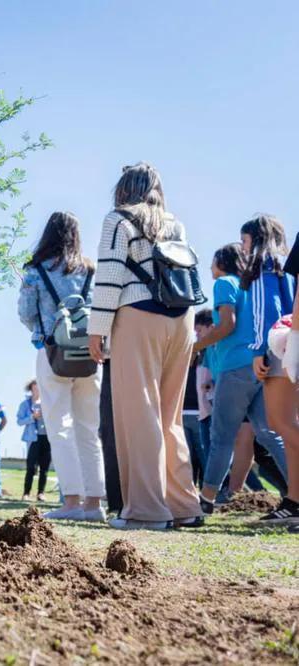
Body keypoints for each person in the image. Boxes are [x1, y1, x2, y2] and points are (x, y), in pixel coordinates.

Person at [88, 162, 203, 530]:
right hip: (182, 319)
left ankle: (146, 511)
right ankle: (185, 505)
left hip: (137, 316)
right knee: (169, 418)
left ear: (123, 188)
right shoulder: (174, 223)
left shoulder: (117, 220)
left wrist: (97, 329)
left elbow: (109, 275)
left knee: (139, 415)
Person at [18, 211, 105, 520]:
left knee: (60, 428)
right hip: (92, 355)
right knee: (89, 429)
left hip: (52, 352)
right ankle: (94, 504)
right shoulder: (92, 269)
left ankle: (71, 501)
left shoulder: (35, 271)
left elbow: (26, 314)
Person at [194, 243, 288, 514]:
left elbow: (227, 324)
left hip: (235, 367)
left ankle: (207, 499)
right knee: (269, 434)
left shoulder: (224, 283)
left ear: (220, 261)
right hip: (262, 366)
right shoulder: (252, 285)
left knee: (221, 437)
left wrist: (194, 348)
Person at [244, 216, 299, 524]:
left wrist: (259, 349)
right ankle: (294, 501)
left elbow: (269, 309)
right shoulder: (283, 261)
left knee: (281, 421)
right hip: (291, 339)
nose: (243, 246)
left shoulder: (265, 262)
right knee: (286, 424)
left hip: (280, 343)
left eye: (245, 240)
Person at [16, 381, 50, 502]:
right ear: (31, 389)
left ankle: (41, 493)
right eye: (35, 388)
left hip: (47, 438)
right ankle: (26, 493)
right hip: (33, 439)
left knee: (45, 467)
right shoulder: (25, 404)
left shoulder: (48, 403)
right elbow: (19, 421)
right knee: (31, 467)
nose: (38, 390)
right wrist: (32, 417)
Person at [193, 309, 215, 488]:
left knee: (216, 456)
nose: (197, 335)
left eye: (199, 330)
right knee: (209, 457)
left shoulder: (215, 349)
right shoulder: (201, 353)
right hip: (203, 413)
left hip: (214, 409)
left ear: (211, 327)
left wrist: (211, 383)